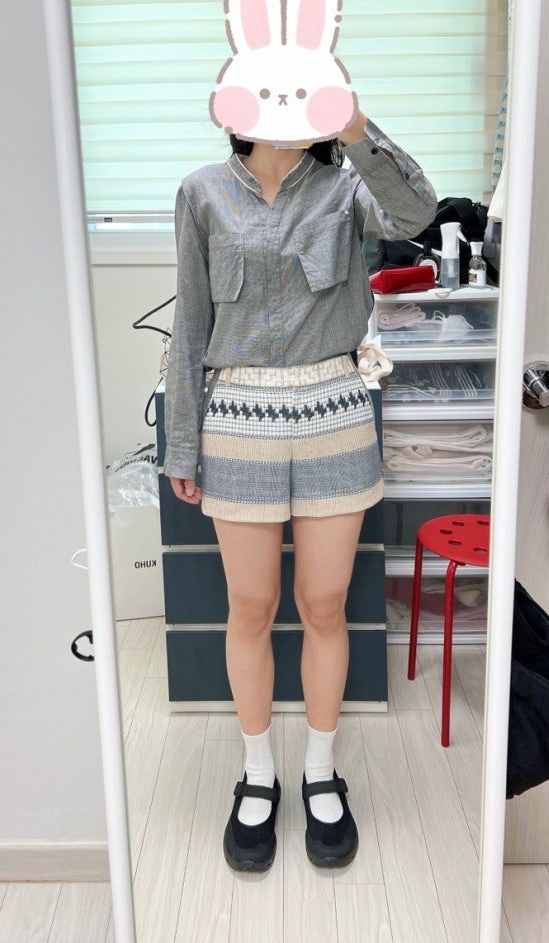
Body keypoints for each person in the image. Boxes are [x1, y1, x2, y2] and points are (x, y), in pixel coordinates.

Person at [163, 107, 436, 872]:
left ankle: (320, 768)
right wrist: (181, 439)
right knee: (249, 605)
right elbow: (190, 321)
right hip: (237, 411)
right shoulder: (202, 192)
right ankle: (257, 772)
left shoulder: (347, 191)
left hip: (334, 407)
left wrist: (355, 127)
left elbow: (416, 213)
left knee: (323, 602)